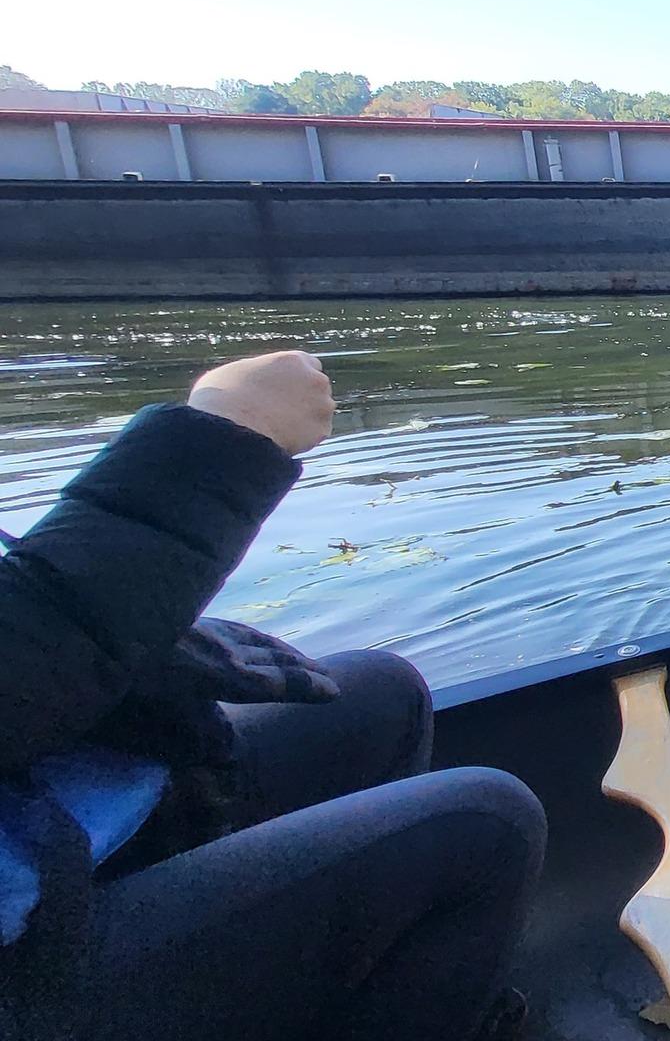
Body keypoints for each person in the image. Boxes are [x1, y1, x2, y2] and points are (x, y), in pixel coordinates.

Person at [0, 351, 546, 1041]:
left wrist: (155, 653)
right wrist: (221, 439)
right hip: (24, 964)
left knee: (379, 695)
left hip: (54, 836)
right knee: (485, 825)